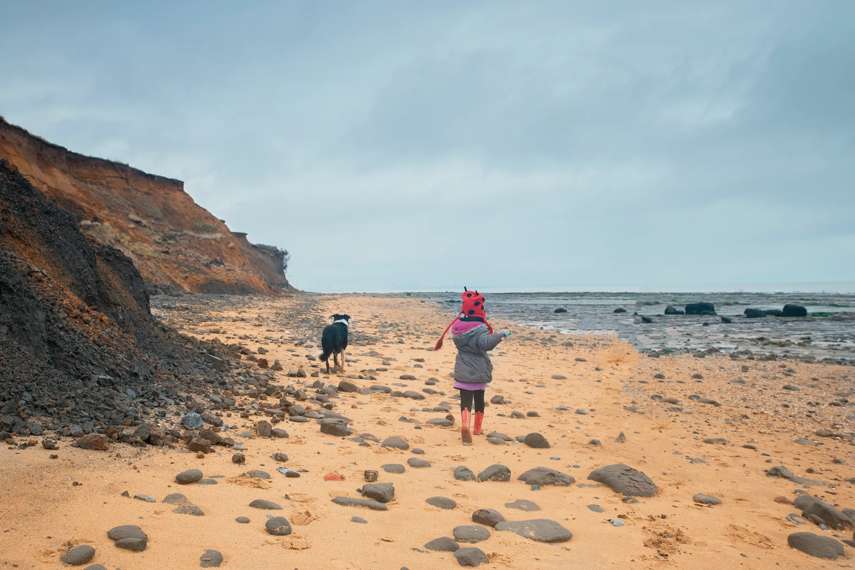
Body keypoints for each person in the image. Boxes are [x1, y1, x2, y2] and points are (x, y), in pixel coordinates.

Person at [435, 288, 510, 444]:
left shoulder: (457, 328)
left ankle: (464, 425)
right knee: (479, 398)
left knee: (465, 399)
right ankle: (477, 428)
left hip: (462, 368)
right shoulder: (479, 329)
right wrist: (501, 334)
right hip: (479, 370)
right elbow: (485, 344)